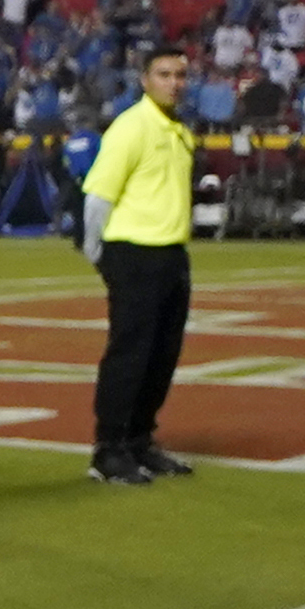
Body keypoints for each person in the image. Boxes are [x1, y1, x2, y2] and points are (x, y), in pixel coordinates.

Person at [79, 48, 197, 485]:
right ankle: (108, 447)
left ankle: (139, 440)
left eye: (181, 74)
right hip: (134, 251)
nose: (175, 82)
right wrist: (100, 253)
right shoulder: (132, 127)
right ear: (144, 79)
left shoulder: (178, 130)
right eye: (165, 74)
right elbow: (98, 198)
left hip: (170, 253)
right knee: (129, 354)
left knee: (162, 354)